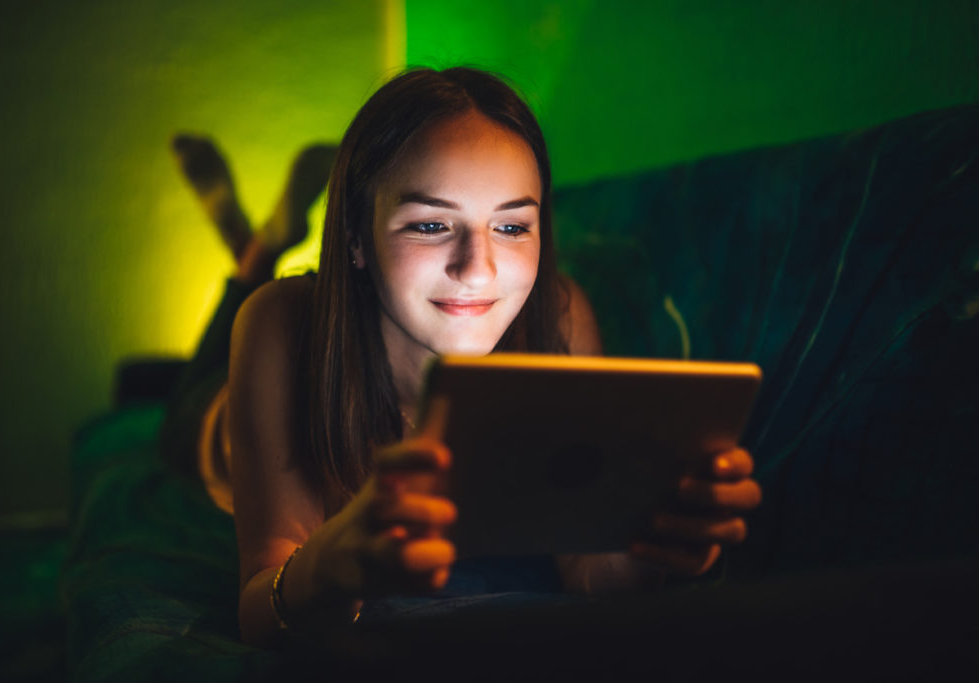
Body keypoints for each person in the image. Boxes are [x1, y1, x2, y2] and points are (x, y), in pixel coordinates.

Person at [163, 67, 762, 649]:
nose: (477, 268)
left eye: (510, 226)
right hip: (215, 423)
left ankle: (257, 241)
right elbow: (260, 602)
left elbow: (590, 571)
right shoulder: (280, 323)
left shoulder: (558, 317)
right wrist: (330, 565)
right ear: (354, 237)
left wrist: (652, 542)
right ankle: (255, 253)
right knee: (189, 397)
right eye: (429, 225)